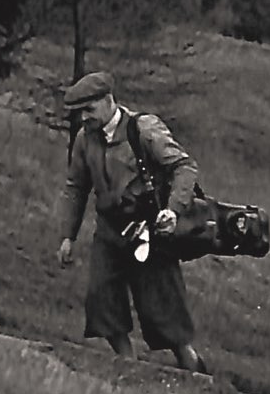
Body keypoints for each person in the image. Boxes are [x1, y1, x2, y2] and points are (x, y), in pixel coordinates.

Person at [56, 71, 209, 374]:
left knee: (163, 312)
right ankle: (130, 370)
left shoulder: (144, 129)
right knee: (102, 301)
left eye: (89, 110)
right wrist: (67, 236)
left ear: (108, 101)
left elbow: (184, 167)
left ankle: (197, 375)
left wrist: (172, 210)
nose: (84, 118)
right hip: (110, 232)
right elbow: (75, 187)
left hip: (151, 232)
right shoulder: (85, 141)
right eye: (79, 112)